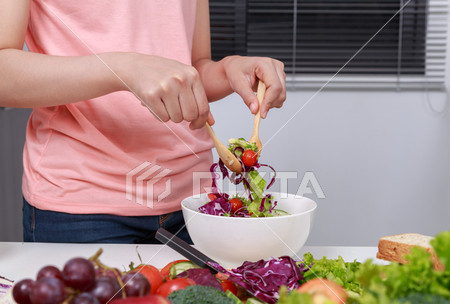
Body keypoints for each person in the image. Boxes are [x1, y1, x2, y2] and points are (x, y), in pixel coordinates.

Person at [0, 0, 286, 244]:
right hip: (81, 208)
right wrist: (123, 68)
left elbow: (191, 67)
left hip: (193, 203)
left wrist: (228, 69)